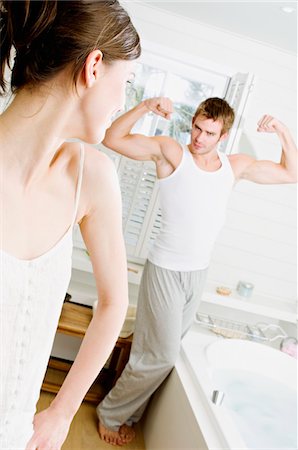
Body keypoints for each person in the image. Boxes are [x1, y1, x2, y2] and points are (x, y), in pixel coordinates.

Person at [96, 96, 297, 445]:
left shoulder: (235, 167)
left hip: (197, 274)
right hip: (165, 270)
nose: (199, 138)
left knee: (157, 353)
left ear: (223, 135)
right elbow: (111, 138)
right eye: (197, 128)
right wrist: (145, 108)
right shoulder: (172, 153)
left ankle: (128, 414)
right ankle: (110, 415)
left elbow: (291, 173)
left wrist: (281, 130)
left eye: (209, 133)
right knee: (160, 355)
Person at [0, 1, 141, 449]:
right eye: (128, 84)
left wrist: (62, 413)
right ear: (94, 67)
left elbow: (113, 301)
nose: (123, 102)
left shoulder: (91, 179)